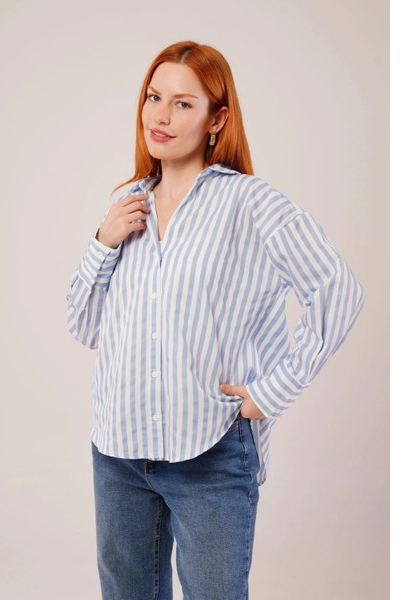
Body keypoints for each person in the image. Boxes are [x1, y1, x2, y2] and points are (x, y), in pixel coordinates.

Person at [66, 40, 366, 600]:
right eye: (154, 97)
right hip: (117, 451)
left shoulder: (252, 204)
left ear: (217, 119)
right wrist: (103, 241)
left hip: (210, 449)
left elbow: (338, 290)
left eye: (183, 103)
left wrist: (271, 392)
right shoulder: (128, 205)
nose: (160, 115)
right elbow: (84, 327)